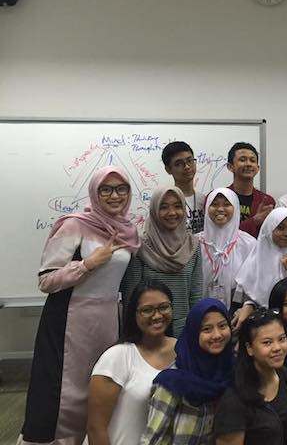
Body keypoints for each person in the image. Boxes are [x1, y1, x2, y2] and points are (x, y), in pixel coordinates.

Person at [20, 166, 141, 445]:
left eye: (121, 189)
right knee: (67, 392)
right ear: (95, 192)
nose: (115, 196)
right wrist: (87, 264)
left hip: (109, 319)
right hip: (70, 321)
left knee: (100, 386)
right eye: (106, 189)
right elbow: (46, 280)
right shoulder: (74, 224)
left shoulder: (129, 230)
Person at [87, 280, 177, 445]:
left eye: (164, 307)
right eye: (147, 310)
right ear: (134, 315)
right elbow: (95, 428)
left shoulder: (183, 352)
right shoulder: (117, 357)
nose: (157, 316)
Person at [141, 298, 234, 444]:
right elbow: (152, 439)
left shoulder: (233, 372)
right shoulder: (173, 382)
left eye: (222, 326)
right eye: (207, 329)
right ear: (193, 333)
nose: (217, 335)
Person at [122, 186, 202, 336]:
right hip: (147, 332)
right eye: (164, 207)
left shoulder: (193, 246)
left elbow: (195, 296)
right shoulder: (140, 247)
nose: (172, 213)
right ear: (154, 210)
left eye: (178, 206)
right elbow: (131, 301)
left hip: (183, 332)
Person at [214, 307, 287, 445]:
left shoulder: (284, 375)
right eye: (267, 342)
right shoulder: (234, 400)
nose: (277, 348)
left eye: (281, 339)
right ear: (249, 348)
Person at [235, 207, 287, 313]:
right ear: (269, 229)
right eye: (280, 228)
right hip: (262, 324)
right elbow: (242, 301)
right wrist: (249, 305)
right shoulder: (256, 259)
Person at [197, 188, 257, 312]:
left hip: (237, 313)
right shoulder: (195, 243)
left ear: (235, 207)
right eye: (214, 204)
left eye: (226, 204)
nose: (220, 209)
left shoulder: (248, 243)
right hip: (201, 312)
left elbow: (254, 282)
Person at [227, 141, 276, 239]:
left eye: (252, 160)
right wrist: (254, 221)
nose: (248, 164)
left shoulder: (266, 201)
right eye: (242, 159)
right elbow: (220, 233)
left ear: (257, 168)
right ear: (230, 166)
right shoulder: (218, 198)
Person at [162, 141, 207, 234]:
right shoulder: (164, 204)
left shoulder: (205, 200)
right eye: (179, 164)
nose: (187, 167)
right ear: (168, 169)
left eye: (190, 161)